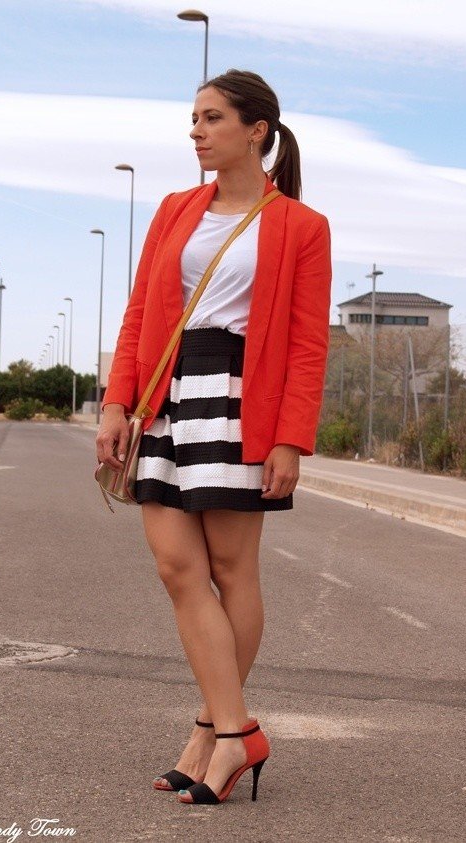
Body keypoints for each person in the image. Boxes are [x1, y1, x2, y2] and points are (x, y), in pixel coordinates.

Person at [96, 69, 332, 805]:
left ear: (255, 130)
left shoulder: (300, 225)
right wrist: (115, 403)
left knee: (231, 570)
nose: (195, 131)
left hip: (240, 402)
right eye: (192, 119)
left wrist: (289, 439)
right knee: (176, 568)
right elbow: (141, 313)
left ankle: (210, 736)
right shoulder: (173, 210)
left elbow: (304, 344)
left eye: (210, 118)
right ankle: (233, 729)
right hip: (167, 399)